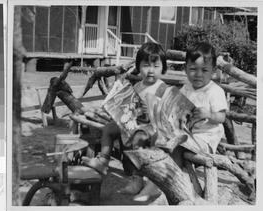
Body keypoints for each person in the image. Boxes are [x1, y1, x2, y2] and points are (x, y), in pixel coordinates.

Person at [81, 42, 168, 200]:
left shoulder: (162, 88)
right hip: (133, 123)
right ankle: (103, 160)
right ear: (138, 66)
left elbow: (163, 115)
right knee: (108, 128)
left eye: (156, 66)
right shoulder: (137, 86)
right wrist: (115, 107)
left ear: (163, 68)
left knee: (137, 137)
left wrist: (148, 109)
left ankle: (138, 179)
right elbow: (130, 107)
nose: (150, 70)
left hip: (152, 128)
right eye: (146, 65)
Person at [180, 41, 228, 155]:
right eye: (193, 69)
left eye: (204, 70)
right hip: (186, 134)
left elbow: (222, 117)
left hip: (206, 138)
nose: (198, 74)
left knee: (179, 146)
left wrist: (209, 115)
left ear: (213, 71)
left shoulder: (214, 91)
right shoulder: (185, 89)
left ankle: (174, 171)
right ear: (185, 68)